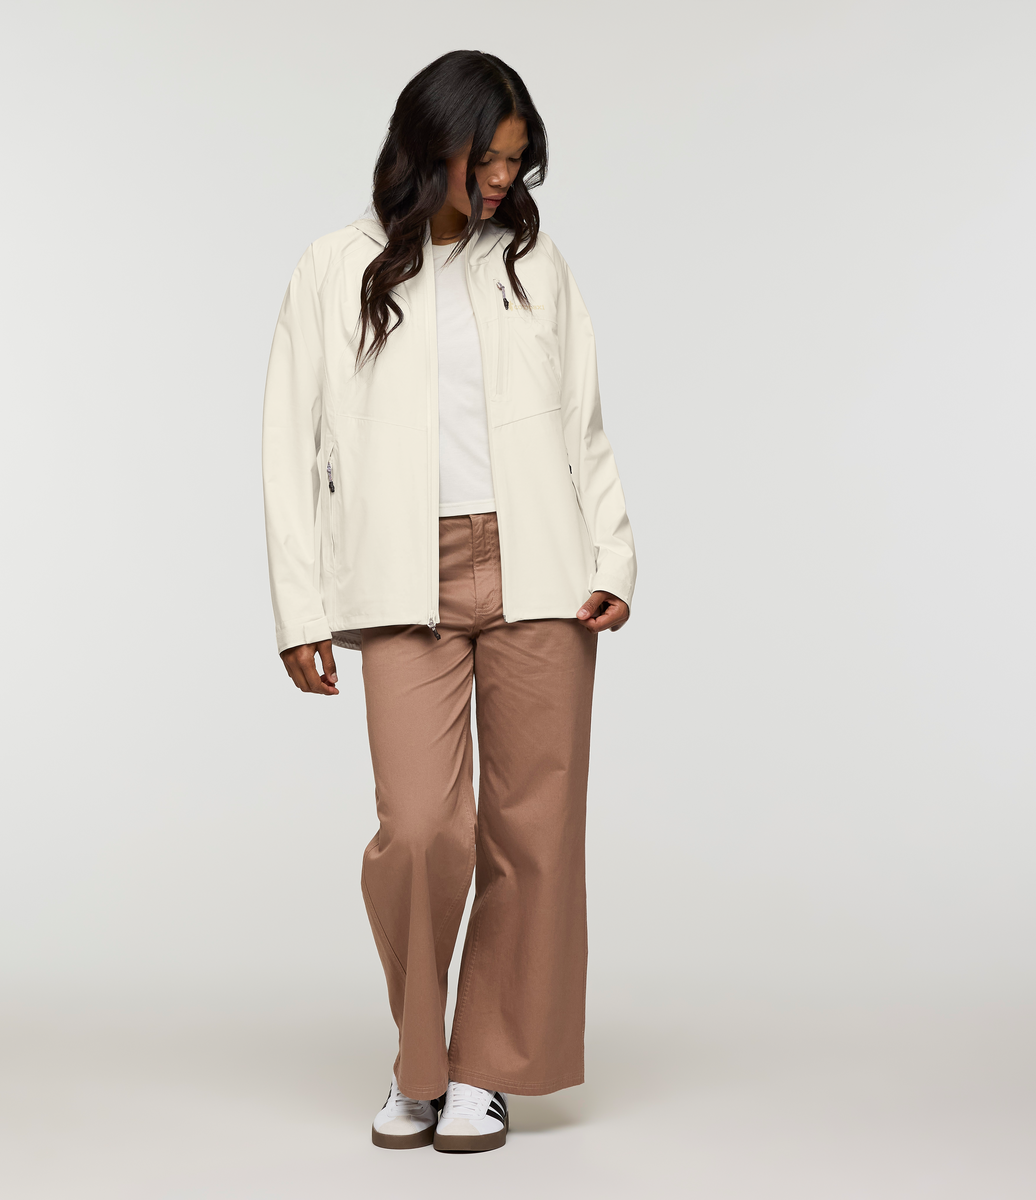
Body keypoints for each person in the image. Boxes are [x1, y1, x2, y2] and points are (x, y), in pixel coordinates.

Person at [262, 50, 635, 1154]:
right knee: (421, 829)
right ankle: (419, 1060)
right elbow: (289, 447)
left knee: (534, 831)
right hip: (398, 575)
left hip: (541, 568)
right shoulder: (336, 268)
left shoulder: (533, 263)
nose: (505, 181)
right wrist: (300, 607)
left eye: (520, 163)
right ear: (435, 142)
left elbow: (583, 422)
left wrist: (611, 552)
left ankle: (485, 1070)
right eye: (491, 158)